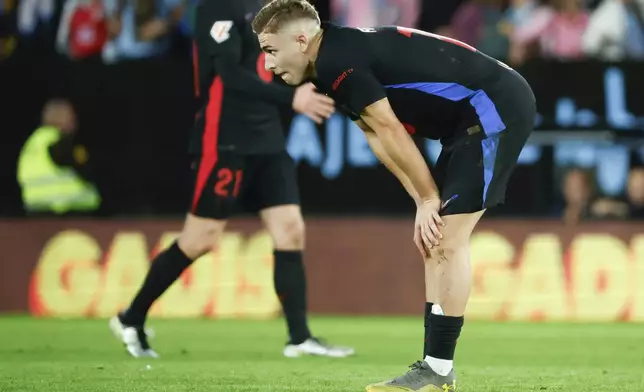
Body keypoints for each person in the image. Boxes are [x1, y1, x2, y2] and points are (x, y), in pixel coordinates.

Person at [251, 0, 536, 390]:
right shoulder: (328, 62)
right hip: (467, 119)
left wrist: (427, 199)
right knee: (435, 241)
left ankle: (436, 371)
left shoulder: (338, 59)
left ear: (301, 39)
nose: (267, 64)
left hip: (493, 106)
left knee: (447, 241)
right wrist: (423, 199)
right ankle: (433, 369)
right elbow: (374, 134)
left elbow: (390, 128)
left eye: (270, 50)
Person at [109, 0, 354, 359]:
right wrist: (291, 98)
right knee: (201, 238)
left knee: (290, 230)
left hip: (267, 138)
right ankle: (131, 317)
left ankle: (299, 338)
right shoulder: (218, 7)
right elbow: (229, 74)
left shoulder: (268, 8)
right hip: (225, 138)